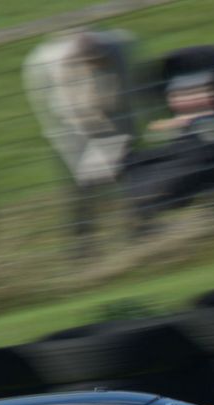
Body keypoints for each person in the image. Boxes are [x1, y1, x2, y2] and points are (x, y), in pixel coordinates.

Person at [23, 29, 138, 254]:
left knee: (129, 164)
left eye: (98, 64)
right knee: (81, 179)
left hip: (112, 113)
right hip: (69, 120)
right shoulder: (48, 64)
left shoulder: (119, 48)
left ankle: (138, 225)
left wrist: (117, 136)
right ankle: (82, 242)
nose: (94, 68)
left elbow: (123, 100)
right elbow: (64, 114)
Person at [119, 53, 214, 229]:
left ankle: (151, 209)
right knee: (134, 160)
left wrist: (186, 122)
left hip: (209, 149)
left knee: (181, 168)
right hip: (186, 147)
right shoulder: (187, 102)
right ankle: (145, 218)